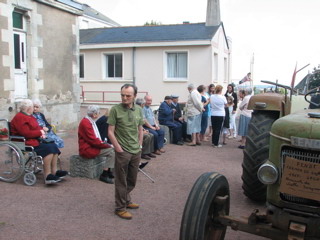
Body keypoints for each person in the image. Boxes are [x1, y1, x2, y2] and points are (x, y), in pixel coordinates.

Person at [108, 83, 144, 220]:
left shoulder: (139, 110)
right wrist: (118, 148)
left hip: (136, 150)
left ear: (134, 96)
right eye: (122, 95)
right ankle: (120, 207)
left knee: (132, 180)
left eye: (128, 95)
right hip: (123, 151)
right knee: (121, 181)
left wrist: (140, 145)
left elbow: (140, 128)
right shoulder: (115, 110)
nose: (124, 98)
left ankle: (126, 200)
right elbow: (110, 132)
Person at [10, 99, 67, 184]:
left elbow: (36, 127)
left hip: (34, 139)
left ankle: (54, 171)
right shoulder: (20, 117)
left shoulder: (29, 116)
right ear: (29, 108)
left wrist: (41, 131)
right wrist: (40, 132)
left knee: (53, 145)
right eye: (33, 107)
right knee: (49, 149)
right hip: (26, 142)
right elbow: (26, 133)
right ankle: (47, 175)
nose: (34, 109)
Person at [78, 105, 115, 184]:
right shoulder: (86, 123)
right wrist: (107, 145)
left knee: (113, 149)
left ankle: (108, 171)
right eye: (98, 113)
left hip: (92, 146)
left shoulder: (89, 121)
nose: (99, 114)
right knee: (112, 152)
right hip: (87, 148)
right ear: (94, 114)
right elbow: (93, 140)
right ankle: (104, 174)